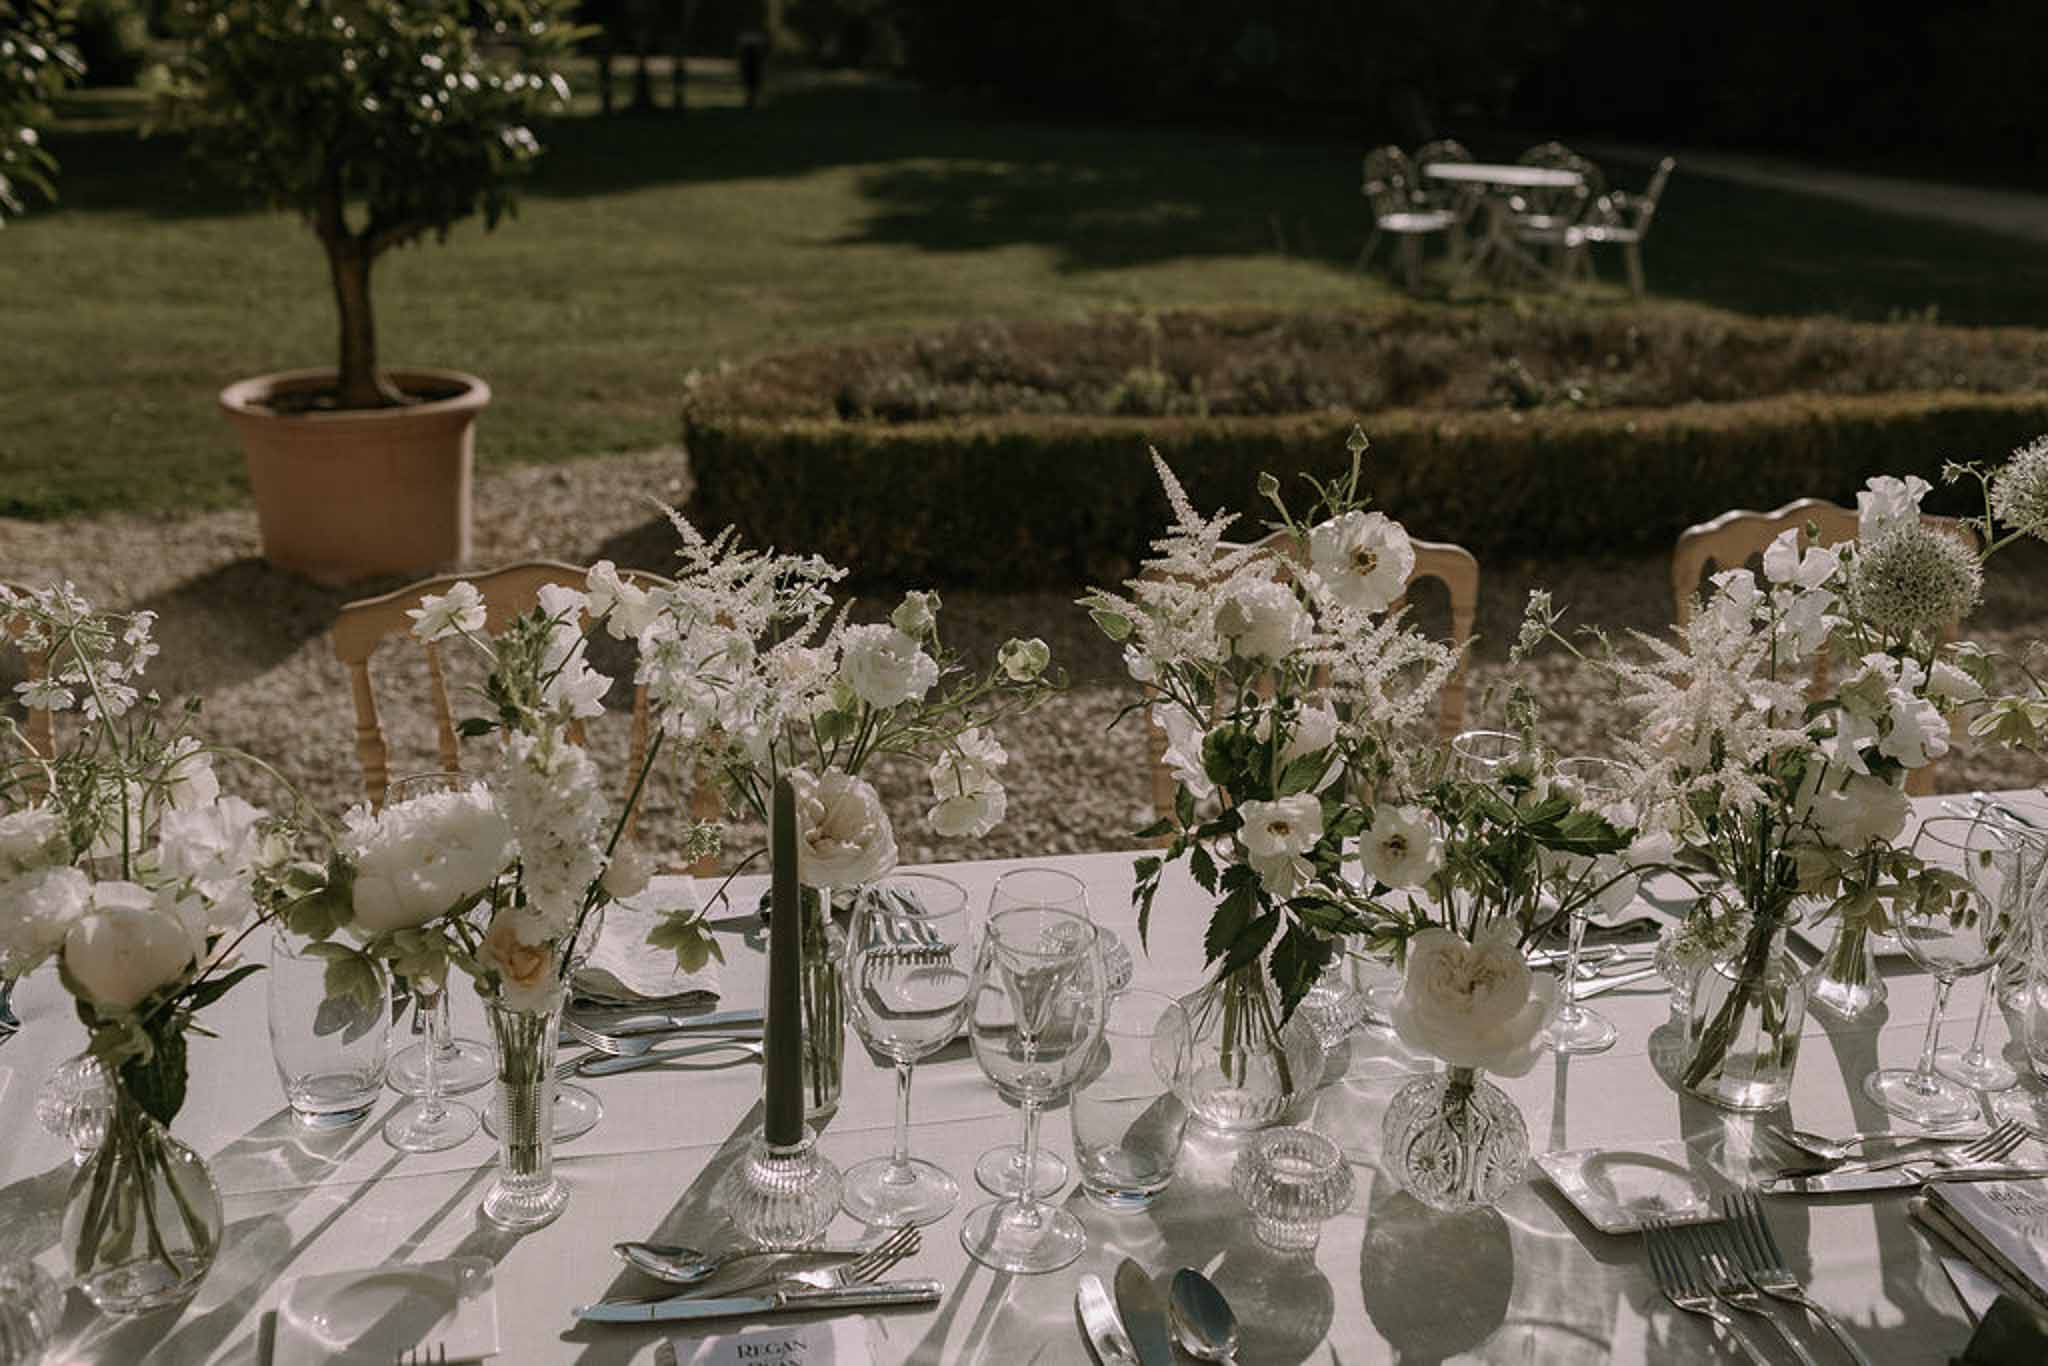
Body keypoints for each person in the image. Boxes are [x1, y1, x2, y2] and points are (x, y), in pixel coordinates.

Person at [737, 29, 766, 109]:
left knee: (752, 79)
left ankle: (751, 100)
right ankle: (752, 100)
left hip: (751, 47)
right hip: (751, 46)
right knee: (752, 79)